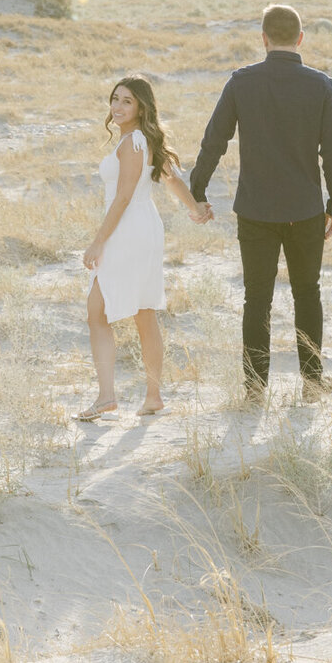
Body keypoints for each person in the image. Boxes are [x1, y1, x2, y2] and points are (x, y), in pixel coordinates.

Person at [188, 4, 332, 401]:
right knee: (307, 293)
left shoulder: (242, 82)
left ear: (263, 39)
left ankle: (255, 389)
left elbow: (214, 140)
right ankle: (312, 384)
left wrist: (198, 188)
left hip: (256, 211)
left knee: (256, 299)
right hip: (305, 209)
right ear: (300, 38)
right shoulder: (320, 84)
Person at [79, 74, 210, 422]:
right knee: (143, 311)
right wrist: (194, 208)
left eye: (127, 101)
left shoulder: (133, 142)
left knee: (98, 311)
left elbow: (122, 198)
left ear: (141, 107)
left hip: (128, 230)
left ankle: (109, 396)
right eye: (115, 99)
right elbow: (172, 179)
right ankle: (152, 396)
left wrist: (97, 242)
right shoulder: (142, 139)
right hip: (142, 228)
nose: (118, 107)